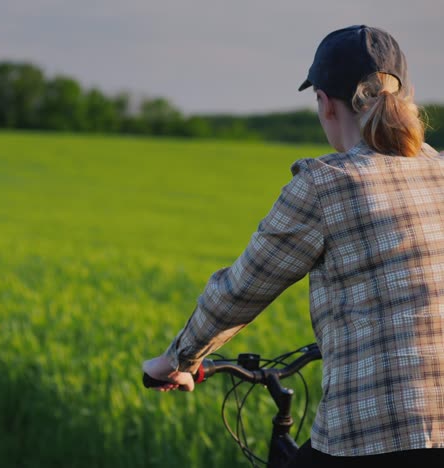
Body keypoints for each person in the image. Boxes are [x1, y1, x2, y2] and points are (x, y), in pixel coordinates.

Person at [142, 24, 444, 466]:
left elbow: (240, 291)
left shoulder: (327, 184)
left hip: (376, 433)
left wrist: (177, 360)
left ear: (323, 103)